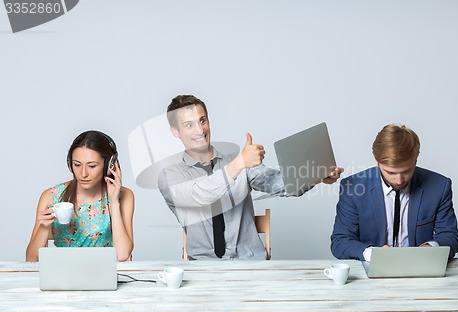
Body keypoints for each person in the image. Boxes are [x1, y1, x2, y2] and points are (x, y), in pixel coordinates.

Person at [158, 94, 343, 260]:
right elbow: (199, 194)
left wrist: (315, 176)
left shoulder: (236, 162)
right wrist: (240, 163)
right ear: (175, 131)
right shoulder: (170, 176)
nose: (200, 131)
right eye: (189, 125)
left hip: (250, 263)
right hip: (202, 268)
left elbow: (279, 183)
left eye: (202, 121)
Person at [331, 124, 458, 261]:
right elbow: (340, 241)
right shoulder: (352, 187)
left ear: (416, 159)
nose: (399, 180)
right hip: (371, 272)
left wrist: (430, 248)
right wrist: (373, 254)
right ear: (377, 161)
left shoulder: (439, 186)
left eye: (406, 171)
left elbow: (451, 237)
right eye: (391, 172)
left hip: (421, 270)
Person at [26, 130, 135, 262]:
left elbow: (123, 255)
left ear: (108, 165)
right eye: (77, 165)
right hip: (63, 274)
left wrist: (114, 201)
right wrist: (43, 228)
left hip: (104, 274)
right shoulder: (51, 196)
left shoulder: (124, 196)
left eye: (92, 166)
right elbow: (31, 260)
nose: (83, 174)